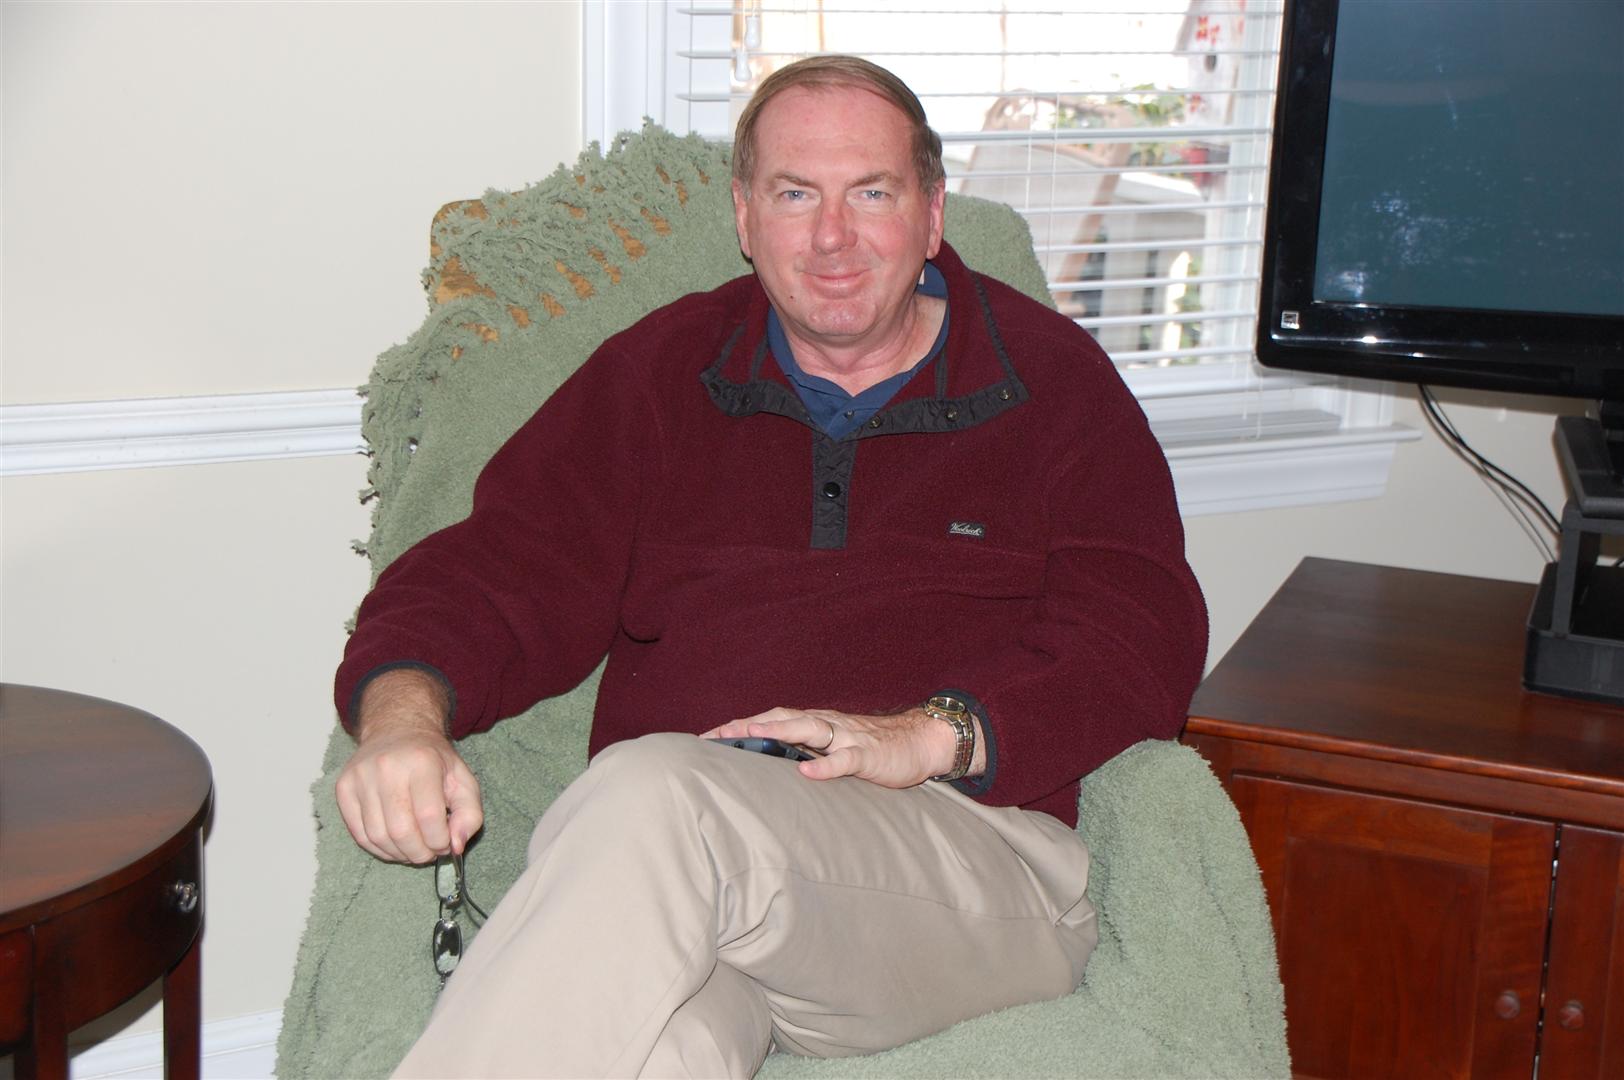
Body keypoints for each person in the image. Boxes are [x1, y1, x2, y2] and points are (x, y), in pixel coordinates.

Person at [333, 55, 1207, 1079]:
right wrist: (401, 721)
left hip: (969, 876)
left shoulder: (1052, 385)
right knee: (651, 1050)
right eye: (795, 195)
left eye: (870, 193)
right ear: (745, 217)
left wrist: (929, 735)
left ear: (931, 216)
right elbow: (499, 566)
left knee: (652, 793)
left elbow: (1141, 634)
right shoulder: (664, 374)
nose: (832, 237)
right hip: (717, 894)